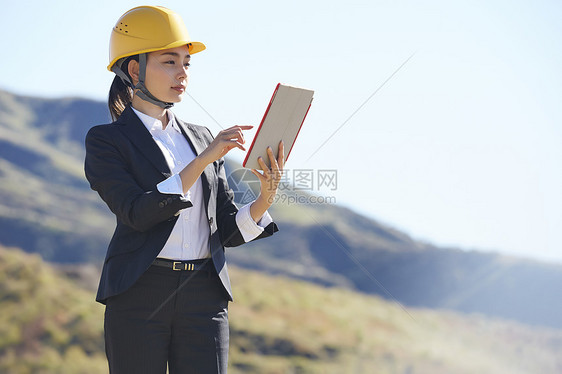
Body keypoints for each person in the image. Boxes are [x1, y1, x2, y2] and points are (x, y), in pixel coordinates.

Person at [84, 5, 284, 373]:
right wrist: (203, 160)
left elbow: (225, 229)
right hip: (138, 293)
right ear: (134, 69)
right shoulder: (106, 141)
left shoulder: (202, 139)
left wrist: (264, 199)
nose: (182, 73)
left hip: (204, 294)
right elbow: (137, 212)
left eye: (186, 63)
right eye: (169, 61)